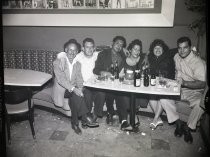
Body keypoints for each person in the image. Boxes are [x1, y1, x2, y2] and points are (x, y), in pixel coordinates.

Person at [52, 39, 98, 135]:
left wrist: (80, 89)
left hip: (73, 89)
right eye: (70, 50)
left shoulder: (77, 63)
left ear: (77, 52)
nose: (72, 52)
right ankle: (86, 117)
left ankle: (75, 124)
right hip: (63, 89)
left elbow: (79, 78)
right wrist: (74, 89)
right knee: (76, 94)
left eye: (74, 50)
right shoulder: (58, 62)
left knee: (85, 94)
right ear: (66, 50)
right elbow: (61, 79)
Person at [173, 36, 206, 143]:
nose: (182, 51)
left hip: (194, 91)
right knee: (163, 98)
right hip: (178, 89)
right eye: (179, 48)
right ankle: (178, 123)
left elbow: (202, 83)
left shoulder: (198, 62)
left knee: (200, 104)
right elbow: (164, 50)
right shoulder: (176, 56)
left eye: (185, 48)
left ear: (190, 48)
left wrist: (185, 83)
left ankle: (188, 127)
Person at [93, 36, 127, 128]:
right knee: (110, 92)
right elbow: (96, 69)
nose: (119, 46)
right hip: (106, 82)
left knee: (121, 93)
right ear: (112, 43)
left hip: (118, 82)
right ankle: (110, 113)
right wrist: (103, 72)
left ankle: (123, 119)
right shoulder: (103, 54)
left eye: (121, 45)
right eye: (117, 43)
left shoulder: (123, 56)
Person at [147, 39, 181, 131]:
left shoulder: (168, 56)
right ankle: (159, 119)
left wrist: (193, 48)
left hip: (168, 84)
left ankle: (155, 119)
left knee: (162, 98)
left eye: (160, 48)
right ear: (152, 50)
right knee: (151, 97)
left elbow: (175, 50)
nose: (157, 50)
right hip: (157, 84)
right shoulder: (151, 58)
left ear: (163, 50)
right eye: (155, 48)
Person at [118, 39, 149, 130]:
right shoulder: (124, 61)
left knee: (134, 95)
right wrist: (121, 75)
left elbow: (146, 75)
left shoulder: (143, 60)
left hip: (139, 88)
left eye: (139, 50)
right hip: (127, 86)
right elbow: (119, 75)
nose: (137, 51)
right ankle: (128, 118)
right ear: (130, 50)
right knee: (122, 94)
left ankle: (132, 115)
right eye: (135, 49)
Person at [75, 38, 106, 122]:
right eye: (87, 47)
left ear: (94, 48)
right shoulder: (78, 57)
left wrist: (123, 50)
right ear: (82, 48)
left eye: (91, 47)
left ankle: (95, 114)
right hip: (84, 85)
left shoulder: (98, 55)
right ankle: (87, 116)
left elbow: (110, 51)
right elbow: (64, 55)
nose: (90, 49)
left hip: (96, 84)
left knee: (102, 93)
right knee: (87, 94)